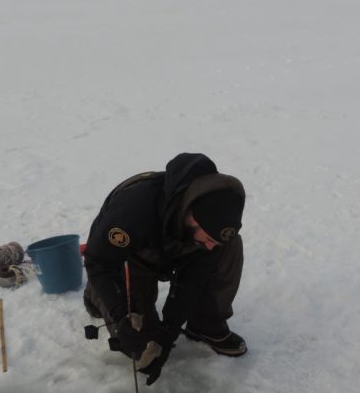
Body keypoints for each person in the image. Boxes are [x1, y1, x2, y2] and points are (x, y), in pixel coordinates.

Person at [82, 152, 247, 385]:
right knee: (141, 345)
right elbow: (99, 262)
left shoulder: (215, 231)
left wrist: (168, 333)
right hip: (131, 256)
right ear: (192, 217)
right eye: (208, 237)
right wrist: (120, 314)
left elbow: (193, 281)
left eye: (214, 241)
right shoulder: (133, 212)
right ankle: (95, 295)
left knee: (229, 248)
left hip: (177, 251)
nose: (211, 245)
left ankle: (205, 324)